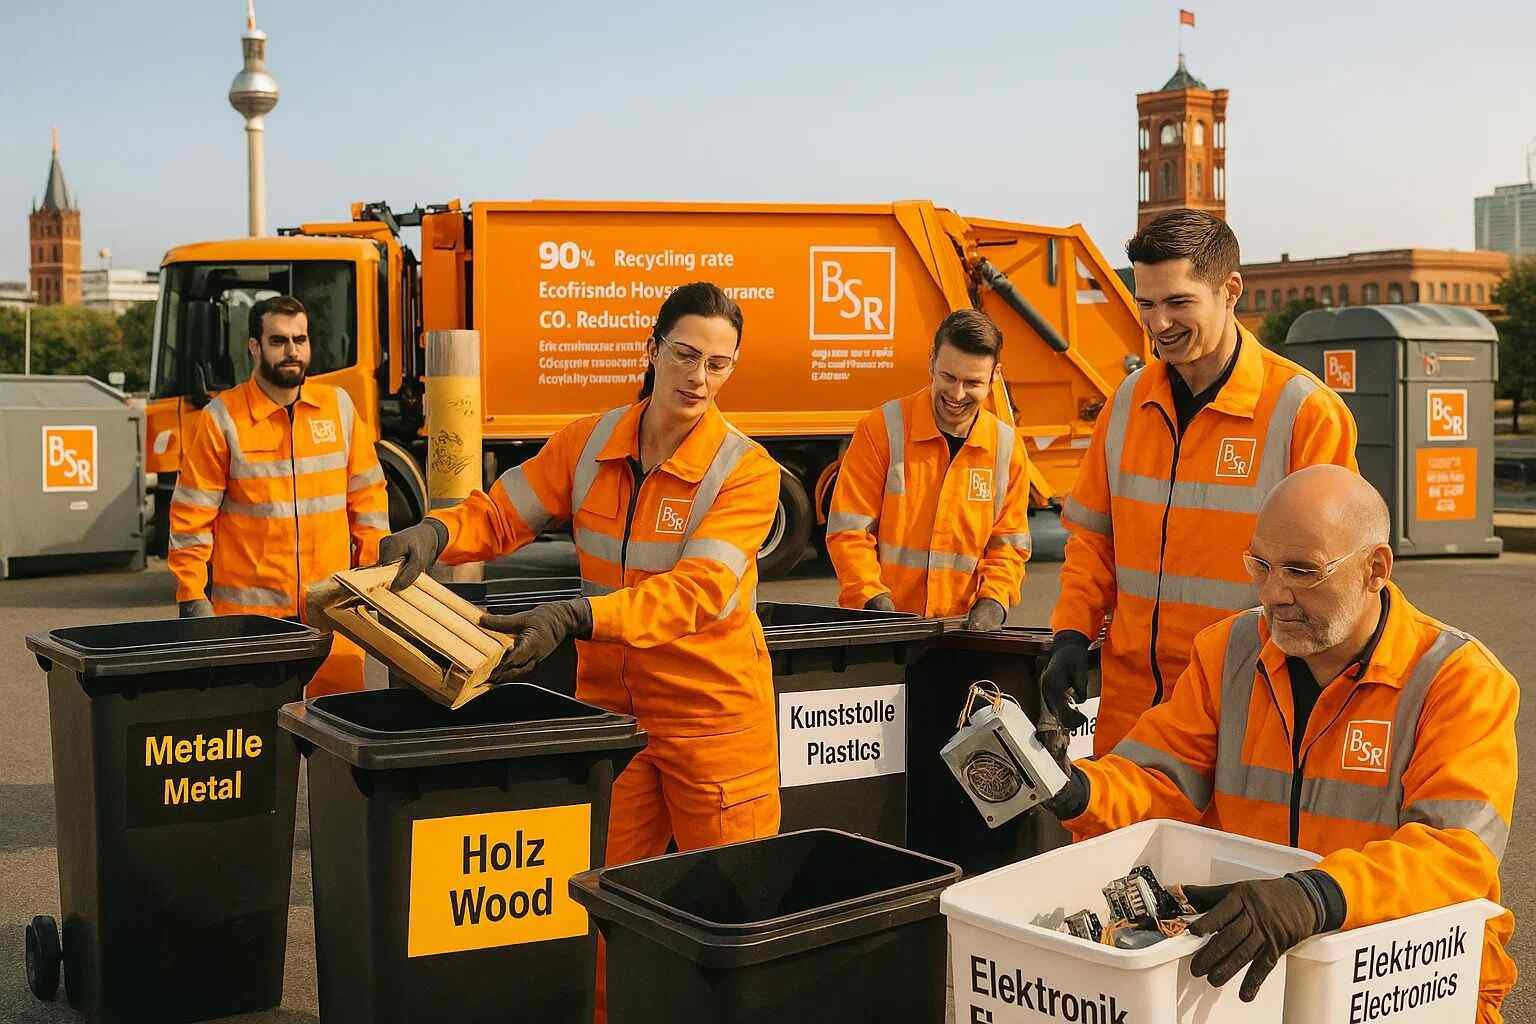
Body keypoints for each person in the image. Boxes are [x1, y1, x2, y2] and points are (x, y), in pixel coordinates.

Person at [376, 282, 781, 1021]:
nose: (698, 377)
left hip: (714, 724)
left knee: (731, 914)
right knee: (604, 906)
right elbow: (502, 513)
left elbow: (696, 592)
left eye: (719, 365)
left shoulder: (744, 470)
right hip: (615, 719)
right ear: (651, 349)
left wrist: (574, 615)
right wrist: (435, 534)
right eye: (686, 355)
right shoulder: (590, 443)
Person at [1040, 465, 1516, 1020]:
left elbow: (1456, 854)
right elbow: (1161, 778)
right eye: (1260, 566)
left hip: (1406, 981)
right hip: (1256, 965)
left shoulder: (1458, 681)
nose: (1274, 595)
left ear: (1376, 569)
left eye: (1302, 571)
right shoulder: (1230, 653)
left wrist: (1316, 896)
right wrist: (1077, 788)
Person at [1041, 209, 1358, 758]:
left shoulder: (1304, 414)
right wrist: (1071, 633)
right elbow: (1093, 542)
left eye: (1178, 302)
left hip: (1249, 705)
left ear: (1230, 290)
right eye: (1146, 303)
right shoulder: (1125, 405)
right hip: (1132, 706)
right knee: (1117, 840)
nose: (1159, 323)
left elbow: (1336, 580)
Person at [168, 294, 389, 697]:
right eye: (278, 341)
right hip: (252, 623)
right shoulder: (222, 418)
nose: (292, 351)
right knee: (257, 741)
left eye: (300, 340)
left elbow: (369, 501)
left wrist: (371, 580)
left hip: (333, 611)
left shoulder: (338, 409)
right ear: (254, 346)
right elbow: (190, 518)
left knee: (337, 731)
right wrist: (191, 596)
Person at [825, 309, 1031, 629]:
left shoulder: (1006, 448)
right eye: (949, 377)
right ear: (932, 361)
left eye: (973, 382)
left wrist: (993, 601)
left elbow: (1008, 547)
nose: (957, 394)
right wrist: (873, 600)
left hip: (961, 632)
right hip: (882, 627)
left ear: (995, 376)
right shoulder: (881, 429)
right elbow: (849, 532)